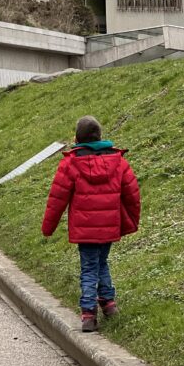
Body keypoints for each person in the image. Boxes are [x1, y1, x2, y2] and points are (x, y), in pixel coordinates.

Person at [41, 115, 141, 332]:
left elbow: (57, 199)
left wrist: (48, 228)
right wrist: (132, 220)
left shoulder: (70, 164)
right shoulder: (118, 162)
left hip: (84, 228)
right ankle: (109, 303)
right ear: (100, 136)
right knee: (102, 262)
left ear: (77, 138)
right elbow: (133, 195)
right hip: (109, 225)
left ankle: (88, 314)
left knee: (89, 267)